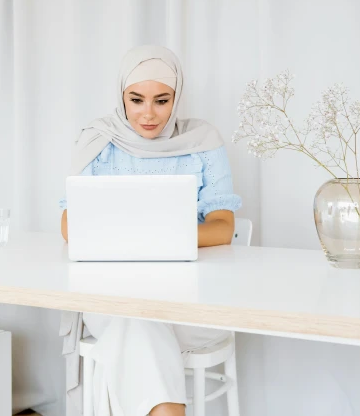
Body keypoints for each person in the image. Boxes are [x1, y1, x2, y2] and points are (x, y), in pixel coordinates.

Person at [59, 45, 242, 416]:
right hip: (111, 301)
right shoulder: (98, 141)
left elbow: (223, 228)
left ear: (177, 98)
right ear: (121, 96)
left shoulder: (202, 140)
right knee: (137, 320)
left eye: (161, 100)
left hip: (190, 303)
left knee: (139, 325)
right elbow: (69, 224)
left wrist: (147, 236)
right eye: (136, 99)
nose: (148, 114)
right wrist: (159, 234)